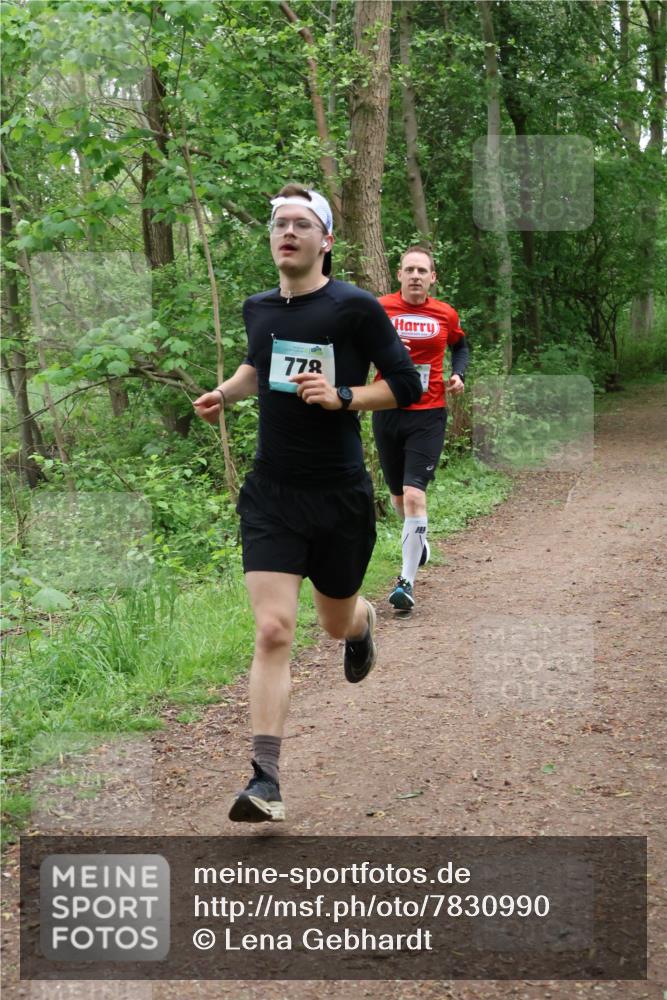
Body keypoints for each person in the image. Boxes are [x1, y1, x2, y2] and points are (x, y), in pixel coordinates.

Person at [193, 185, 421, 823]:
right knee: (272, 630)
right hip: (272, 494)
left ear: (325, 240)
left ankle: (362, 622)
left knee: (334, 622)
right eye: (278, 225)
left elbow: (406, 383)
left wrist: (345, 396)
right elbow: (254, 366)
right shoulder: (258, 308)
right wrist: (224, 393)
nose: (286, 233)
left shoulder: (354, 308)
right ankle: (265, 779)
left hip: (339, 495)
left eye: (300, 224)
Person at [372, 246, 469, 611]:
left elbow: (462, 347)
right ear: (399, 274)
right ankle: (420, 541)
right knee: (398, 498)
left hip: (428, 414)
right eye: (409, 269)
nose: (415, 275)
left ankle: (406, 583)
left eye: (422, 270)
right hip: (386, 409)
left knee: (414, 495)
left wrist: (459, 374)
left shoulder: (445, 313)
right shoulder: (379, 309)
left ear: (433, 277)